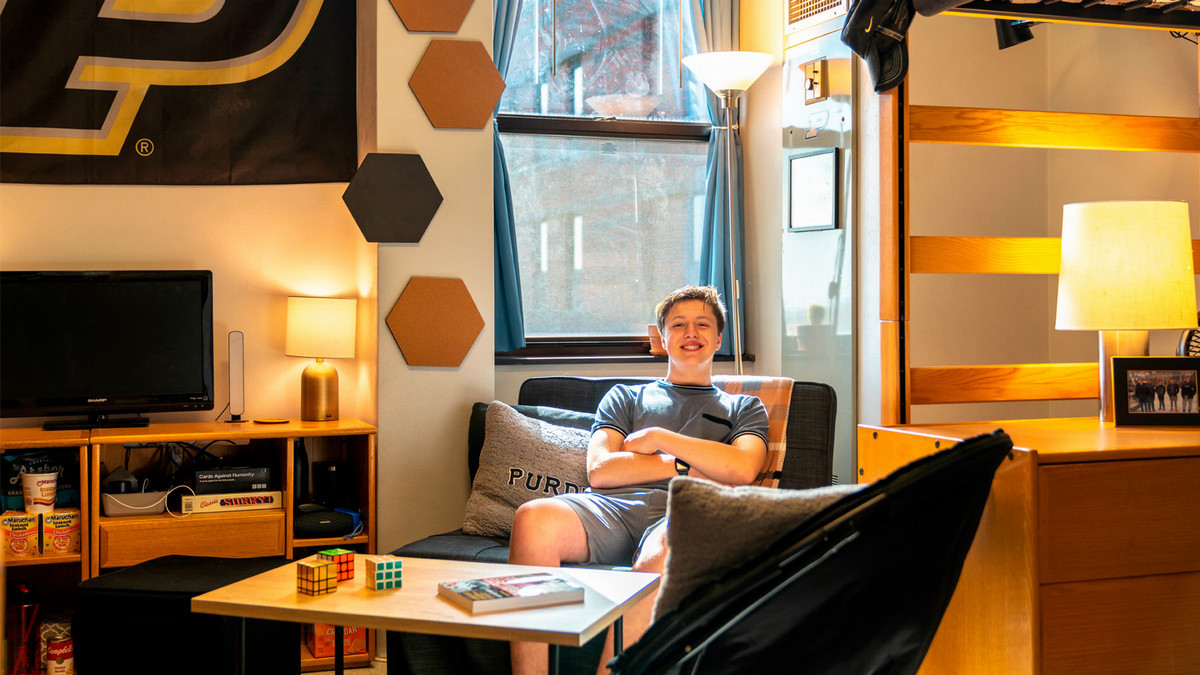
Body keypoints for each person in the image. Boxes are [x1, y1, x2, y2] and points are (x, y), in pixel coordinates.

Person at [507, 285, 769, 675]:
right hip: (611, 509)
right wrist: (680, 465)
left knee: (665, 549)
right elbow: (601, 470)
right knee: (532, 518)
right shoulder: (625, 397)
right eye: (678, 325)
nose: (690, 333)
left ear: (718, 339)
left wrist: (660, 439)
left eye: (702, 325)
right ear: (663, 339)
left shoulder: (744, 407)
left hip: (684, 511)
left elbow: (743, 469)